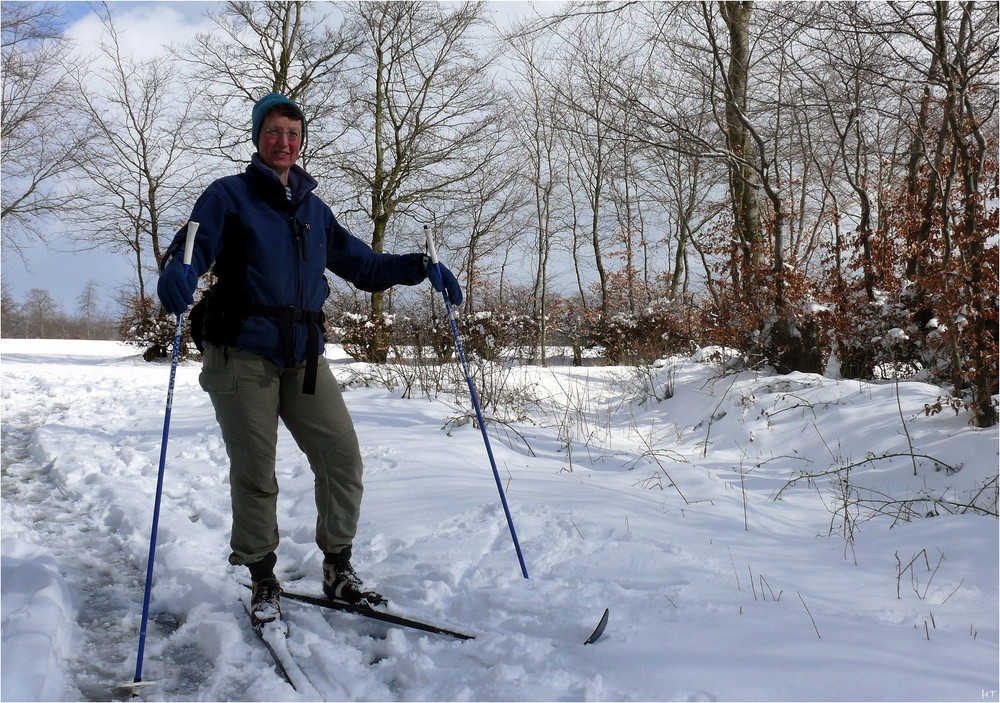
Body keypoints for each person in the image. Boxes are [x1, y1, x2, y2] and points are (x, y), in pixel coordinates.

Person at [156, 93, 462, 631]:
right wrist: (176, 274)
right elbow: (191, 249)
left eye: (293, 134)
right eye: (274, 132)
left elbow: (362, 264)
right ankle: (262, 577)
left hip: (303, 357)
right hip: (241, 353)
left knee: (341, 456)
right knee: (256, 471)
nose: (284, 142)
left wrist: (419, 266)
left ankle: (338, 568)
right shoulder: (228, 195)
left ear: (302, 142)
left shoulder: (313, 209)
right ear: (257, 137)